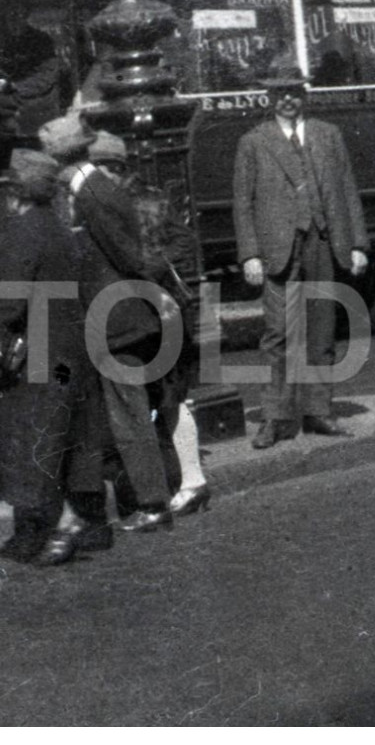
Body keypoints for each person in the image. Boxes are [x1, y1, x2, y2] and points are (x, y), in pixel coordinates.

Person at [39, 113, 175, 553]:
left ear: (61, 161)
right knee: (124, 413)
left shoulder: (92, 194)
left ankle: (154, 504)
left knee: (128, 414)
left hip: (117, 320)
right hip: (115, 316)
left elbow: (127, 256)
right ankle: (146, 500)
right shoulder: (94, 187)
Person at [233, 53, 370, 448]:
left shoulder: (328, 135)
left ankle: (318, 412)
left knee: (322, 330)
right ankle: (275, 418)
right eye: (279, 93)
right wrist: (250, 255)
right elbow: (242, 203)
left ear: (303, 94)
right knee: (278, 335)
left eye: (293, 92)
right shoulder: (254, 143)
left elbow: (347, 190)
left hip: (323, 243)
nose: (287, 100)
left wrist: (358, 244)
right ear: (268, 98)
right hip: (277, 250)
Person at [88, 131, 211, 518]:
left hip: (144, 309)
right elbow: (183, 240)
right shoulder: (153, 198)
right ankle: (188, 480)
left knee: (153, 400)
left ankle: (182, 482)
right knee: (169, 397)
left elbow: (180, 243)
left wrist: (147, 268)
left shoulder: (103, 203)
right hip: (159, 308)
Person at [0, 149, 90, 561]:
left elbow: (9, 302)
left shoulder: (22, 233)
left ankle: (60, 524)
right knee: (53, 436)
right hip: (65, 352)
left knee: (31, 440)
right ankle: (42, 526)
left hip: (35, 355)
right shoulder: (58, 228)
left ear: (16, 193)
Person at [0, 3, 63, 142]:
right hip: (17, 99)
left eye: (18, 16)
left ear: (25, 17)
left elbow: (47, 76)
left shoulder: (41, 40)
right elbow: (5, 71)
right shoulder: (8, 43)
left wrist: (15, 86)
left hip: (40, 102)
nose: (13, 21)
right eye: (9, 17)